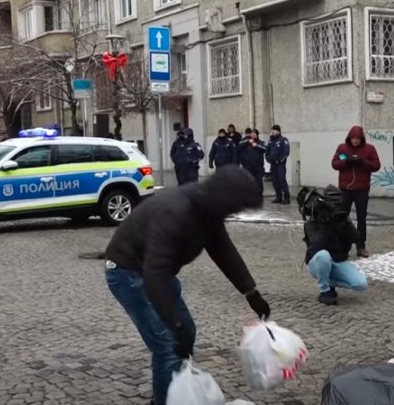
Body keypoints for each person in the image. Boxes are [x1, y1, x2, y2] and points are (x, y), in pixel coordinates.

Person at [104, 166, 270, 404]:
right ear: (225, 199)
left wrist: (250, 292)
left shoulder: (208, 210)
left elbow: (223, 250)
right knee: (168, 345)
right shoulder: (177, 212)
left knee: (186, 333)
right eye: (236, 207)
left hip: (157, 273)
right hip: (127, 272)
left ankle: (174, 388)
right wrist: (174, 321)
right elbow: (155, 273)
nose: (235, 213)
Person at [299, 186, 368, 305]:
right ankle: (325, 291)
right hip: (317, 261)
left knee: (361, 284)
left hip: (338, 261)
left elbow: (356, 238)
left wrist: (345, 223)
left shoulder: (341, 217)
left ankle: (330, 282)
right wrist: (325, 222)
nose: (335, 206)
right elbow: (317, 246)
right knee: (323, 256)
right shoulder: (314, 220)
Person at [330, 126, 381, 258]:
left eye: (358, 139)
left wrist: (363, 162)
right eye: (353, 138)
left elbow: (376, 165)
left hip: (361, 190)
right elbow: (334, 163)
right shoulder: (342, 148)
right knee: (342, 218)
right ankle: (342, 245)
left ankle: (361, 246)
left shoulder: (369, 149)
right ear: (349, 138)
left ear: (361, 139)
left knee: (361, 219)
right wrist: (346, 162)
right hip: (345, 189)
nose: (355, 141)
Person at [266, 124, 291, 204]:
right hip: (273, 165)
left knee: (282, 180)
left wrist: (280, 160)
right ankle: (278, 197)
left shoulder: (283, 140)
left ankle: (287, 198)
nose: (273, 132)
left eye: (274, 130)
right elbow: (267, 152)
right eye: (272, 130)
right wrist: (268, 159)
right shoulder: (271, 141)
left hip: (280, 165)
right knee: (274, 181)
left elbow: (286, 152)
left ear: (279, 131)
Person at [238, 128, 266, 196]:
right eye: (252, 133)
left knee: (258, 180)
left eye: (254, 133)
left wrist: (257, 146)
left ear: (257, 135)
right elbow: (239, 146)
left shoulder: (261, 142)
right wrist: (248, 142)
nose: (253, 135)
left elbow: (266, 149)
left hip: (258, 165)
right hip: (248, 165)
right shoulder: (246, 141)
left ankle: (259, 193)